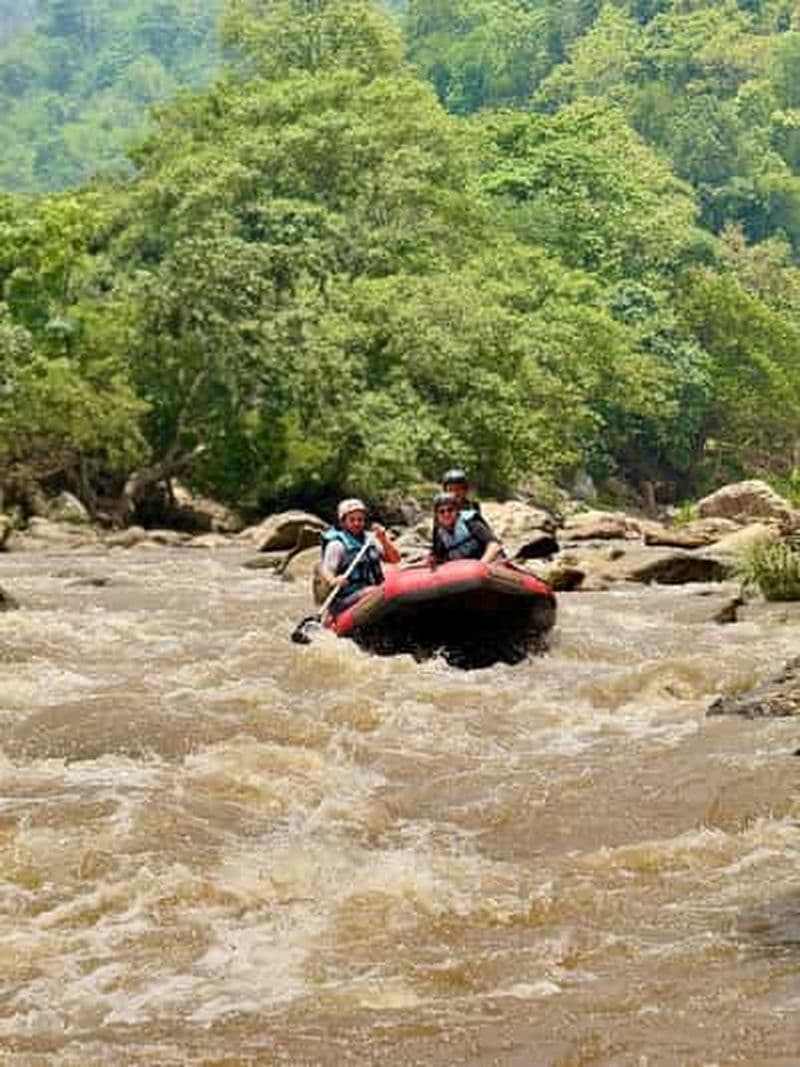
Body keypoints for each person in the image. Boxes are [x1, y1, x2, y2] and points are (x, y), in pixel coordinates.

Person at [318, 498, 401, 615]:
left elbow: (395, 559)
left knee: (378, 590)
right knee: (374, 591)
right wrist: (333, 580)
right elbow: (326, 570)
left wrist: (383, 539)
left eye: (360, 519)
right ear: (343, 522)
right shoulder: (337, 545)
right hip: (345, 598)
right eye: (352, 520)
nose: (357, 523)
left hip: (372, 590)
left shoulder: (370, 540)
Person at [430, 491, 503, 565]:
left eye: (450, 510)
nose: (446, 514)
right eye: (442, 512)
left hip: (483, 562)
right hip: (459, 568)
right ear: (437, 515)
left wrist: (481, 565)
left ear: (457, 511)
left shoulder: (471, 524)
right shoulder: (439, 533)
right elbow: (437, 556)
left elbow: (494, 546)